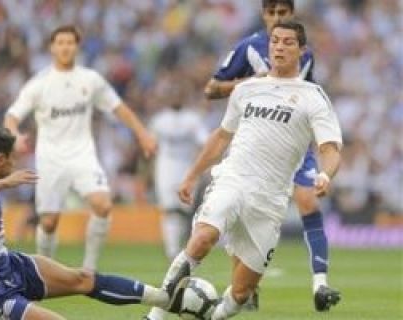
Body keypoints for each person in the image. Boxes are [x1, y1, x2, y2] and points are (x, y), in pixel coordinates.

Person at [144, 20, 342, 320]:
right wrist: (192, 175)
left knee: (240, 293)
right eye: (275, 40)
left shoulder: (313, 96)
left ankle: (212, 316)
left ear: (302, 51)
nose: (279, 47)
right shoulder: (246, 89)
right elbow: (222, 136)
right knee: (202, 238)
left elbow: (330, 148)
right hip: (233, 179)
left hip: (270, 200)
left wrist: (326, 174)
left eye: (288, 42)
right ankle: (155, 316)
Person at [0, 126, 184, 320]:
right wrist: (5, 183)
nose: (15, 164)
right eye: (13, 158)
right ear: (0, 159)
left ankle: (165, 299)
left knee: (82, 279)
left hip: (8, 266)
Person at [203, 0, 340, 311]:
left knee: (308, 200)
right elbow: (211, 89)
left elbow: (304, 90)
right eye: (271, 13)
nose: (276, 18)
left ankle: (320, 283)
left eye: (283, 13)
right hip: (254, 148)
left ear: (292, 16)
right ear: (263, 15)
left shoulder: (303, 52)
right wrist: (253, 83)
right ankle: (246, 289)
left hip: (292, 144)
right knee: (242, 214)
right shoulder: (248, 48)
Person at [4, 25, 157, 270]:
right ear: (52, 48)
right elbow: (12, 116)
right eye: (60, 42)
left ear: (77, 47)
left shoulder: (90, 79)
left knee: (103, 205)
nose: (65, 47)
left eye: (70, 42)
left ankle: (89, 269)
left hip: (82, 155)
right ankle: (46, 270)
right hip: (50, 159)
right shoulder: (39, 84)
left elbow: (119, 108)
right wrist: (14, 136)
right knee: (49, 222)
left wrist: (142, 134)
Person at [150, 86, 208, 260]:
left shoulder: (193, 119)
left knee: (184, 211)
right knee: (169, 209)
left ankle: (179, 248)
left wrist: (201, 168)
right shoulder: (159, 120)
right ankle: (172, 250)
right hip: (165, 168)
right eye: (173, 94)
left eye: (179, 94)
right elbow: (151, 146)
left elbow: (203, 142)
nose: (176, 98)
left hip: (187, 168)